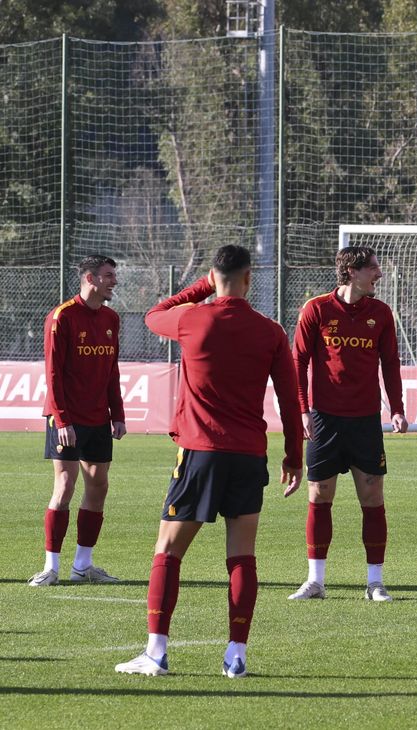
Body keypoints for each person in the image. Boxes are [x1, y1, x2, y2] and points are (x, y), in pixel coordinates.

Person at [115, 245, 303, 678]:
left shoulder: (190, 318)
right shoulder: (271, 331)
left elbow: (153, 313)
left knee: (167, 551)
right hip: (249, 455)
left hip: (200, 453)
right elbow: (290, 401)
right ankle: (236, 655)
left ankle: (156, 653)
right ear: (250, 278)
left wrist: (203, 286)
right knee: (242, 556)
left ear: (213, 276)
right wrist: (294, 456)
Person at [287, 246, 409, 603]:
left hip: (366, 421)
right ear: (352, 272)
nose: (380, 275)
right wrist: (303, 410)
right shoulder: (316, 309)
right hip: (325, 419)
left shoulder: (381, 313)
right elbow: (298, 361)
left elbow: (390, 363)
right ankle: (315, 581)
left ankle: (375, 583)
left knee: (372, 497)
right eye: (373, 269)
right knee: (319, 495)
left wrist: (397, 409)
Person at [30, 255, 126, 587]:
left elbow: (112, 371)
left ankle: (83, 566)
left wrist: (118, 414)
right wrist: (62, 419)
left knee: (98, 486)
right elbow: (53, 374)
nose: (114, 281)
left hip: (98, 417)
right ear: (89, 278)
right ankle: (51, 567)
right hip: (66, 418)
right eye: (108, 275)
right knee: (66, 485)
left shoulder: (112, 318)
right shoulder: (62, 317)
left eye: (114, 275)